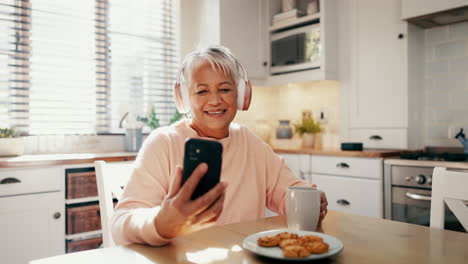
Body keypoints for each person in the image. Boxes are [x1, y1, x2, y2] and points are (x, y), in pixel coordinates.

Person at [111, 45, 328, 246]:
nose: (215, 100)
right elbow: (121, 223)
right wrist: (160, 223)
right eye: (202, 91)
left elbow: (288, 194)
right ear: (184, 98)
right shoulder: (163, 143)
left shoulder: (251, 143)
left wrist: (311, 199)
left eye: (224, 89)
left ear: (241, 94)